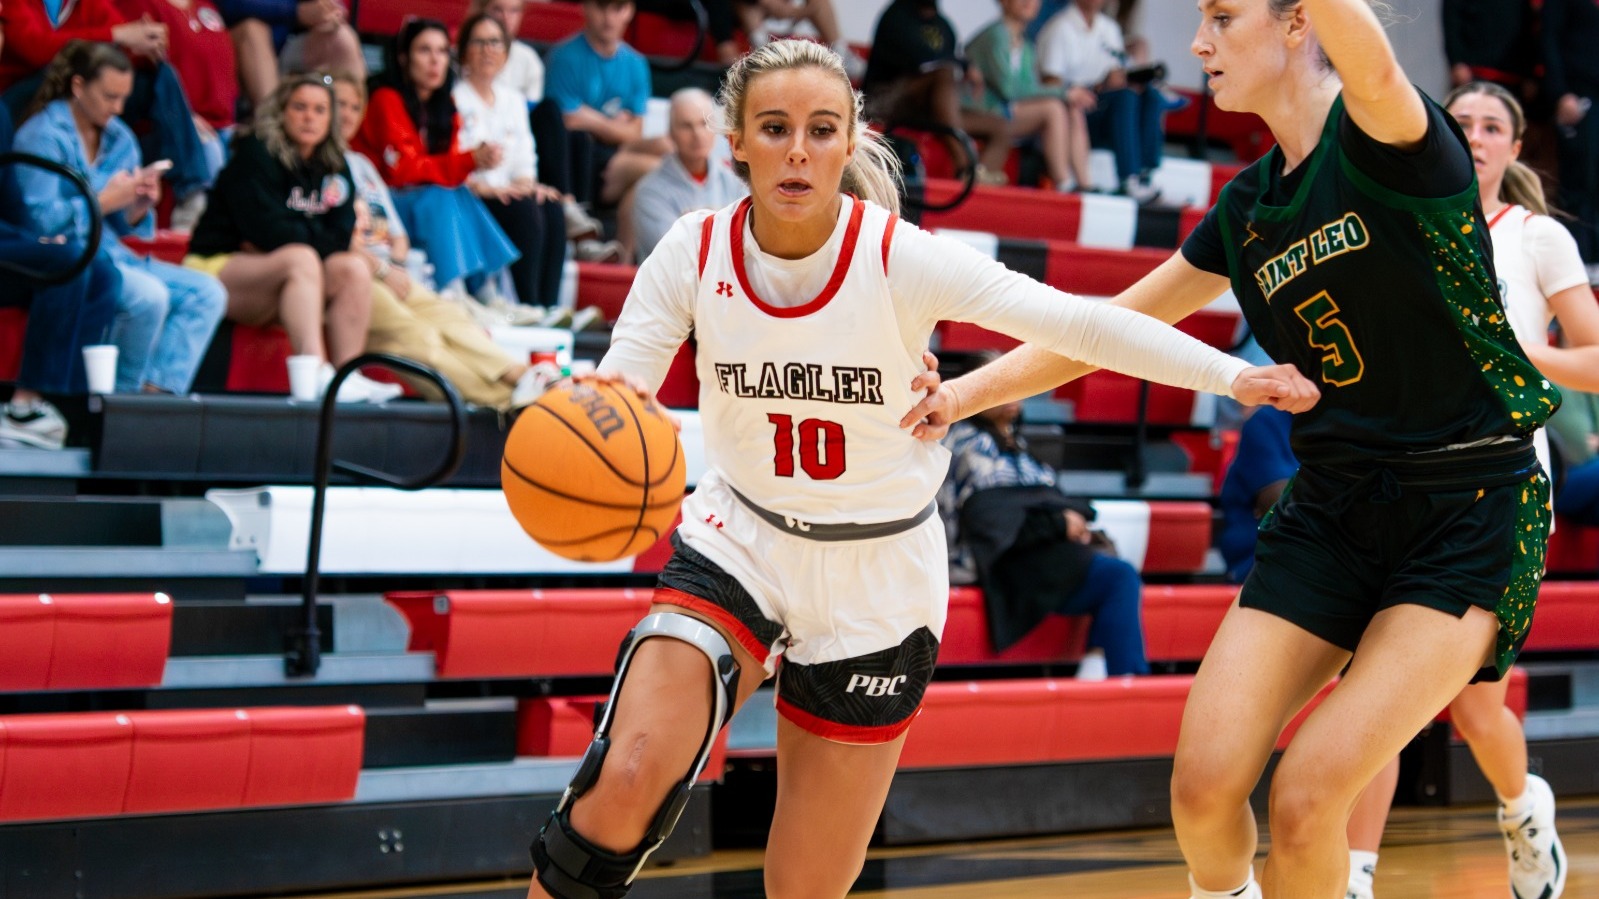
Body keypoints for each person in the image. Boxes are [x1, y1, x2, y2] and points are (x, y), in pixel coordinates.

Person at [520, 38, 1315, 899]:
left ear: (850, 139)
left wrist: (1231, 376)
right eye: (774, 128)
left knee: (803, 885)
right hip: (739, 538)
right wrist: (577, 430)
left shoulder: (898, 256)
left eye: (820, 129)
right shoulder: (692, 249)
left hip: (879, 573)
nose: (797, 151)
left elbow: (1078, 324)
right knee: (624, 779)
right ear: (736, 141)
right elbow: (620, 395)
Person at [901, 2, 1565, 895]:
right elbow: (1105, 328)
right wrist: (961, 395)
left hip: (1467, 501)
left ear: (1297, 24)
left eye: (1221, 16)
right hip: (1332, 507)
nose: (1198, 42)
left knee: (1306, 798)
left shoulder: (1388, 133)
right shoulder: (1247, 206)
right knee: (1202, 794)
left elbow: (1368, 62)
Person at [1335, 79, 1599, 899]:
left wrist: (1521, 353)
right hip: (1394, 480)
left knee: (1475, 708)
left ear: (1514, 149)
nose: (1475, 136)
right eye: (1460, 125)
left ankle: (1522, 810)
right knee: (1371, 692)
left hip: (1499, 489)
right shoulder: (1392, 227)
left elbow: (1594, 359)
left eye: (1491, 126)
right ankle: (1354, 876)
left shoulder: (1536, 236)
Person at [15, 41, 226, 397]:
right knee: (148, 296)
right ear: (78, 86)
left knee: (208, 293)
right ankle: (118, 403)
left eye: (123, 98)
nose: (117, 108)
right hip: (71, 258)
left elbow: (123, 225)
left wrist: (137, 205)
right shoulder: (41, 136)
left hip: (115, 253)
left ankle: (154, 401)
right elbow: (39, 223)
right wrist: (103, 200)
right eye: (109, 97)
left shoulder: (120, 137)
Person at [184, 72, 398, 402]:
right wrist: (309, 235)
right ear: (282, 111)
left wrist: (298, 234)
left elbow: (341, 233)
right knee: (301, 258)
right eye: (300, 107)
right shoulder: (256, 154)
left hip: (282, 276)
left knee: (352, 268)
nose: (309, 117)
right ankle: (315, 372)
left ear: (331, 118)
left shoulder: (334, 163)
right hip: (218, 268)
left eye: (319, 109)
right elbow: (267, 231)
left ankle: (346, 376)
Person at [331, 71, 540, 409]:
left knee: (449, 316)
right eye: (338, 105)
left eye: (355, 107)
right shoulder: (317, 167)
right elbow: (330, 237)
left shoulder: (360, 164)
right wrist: (383, 270)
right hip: (352, 274)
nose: (347, 114)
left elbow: (397, 233)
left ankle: (519, 375)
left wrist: (394, 265)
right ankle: (504, 402)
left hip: (385, 268)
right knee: (419, 335)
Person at [940, 361, 1149, 677]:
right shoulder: (964, 444)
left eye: (1014, 382)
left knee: (1113, 565)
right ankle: (1127, 683)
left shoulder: (1018, 443)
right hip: (1000, 563)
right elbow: (994, 524)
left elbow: (1043, 501)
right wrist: (1059, 523)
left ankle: (1101, 670)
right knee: (1118, 576)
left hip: (1038, 553)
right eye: (998, 382)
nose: (1011, 392)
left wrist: (1070, 520)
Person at [353, 19, 522, 307]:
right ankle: (456, 292)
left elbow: (449, 172)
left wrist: (473, 162)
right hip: (378, 208)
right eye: (424, 50)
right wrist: (469, 160)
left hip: (416, 204)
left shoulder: (445, 106)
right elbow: (402, 173)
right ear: (403, 57)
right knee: (440, 196)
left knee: (456, 192)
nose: (435, 60)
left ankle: (489, 296)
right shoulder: (385, 99)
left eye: (442, 51)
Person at [0, 0, 216, 218]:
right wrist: (116, 36)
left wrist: (147, 43)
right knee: (65, 67)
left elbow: (122, 48)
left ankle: (191, 192)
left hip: (74, 92)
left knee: (159, 76)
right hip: (17, 96)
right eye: (113, 100)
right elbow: (35, 48)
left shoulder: (86, 3)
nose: (118, 109)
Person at [454, 13, 569, 311]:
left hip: (508, 190)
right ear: (464, 51)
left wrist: (526, 185)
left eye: (495, 43)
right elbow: (455, 161)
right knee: (523, 208)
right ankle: (528, 303)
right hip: (474, 195)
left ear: (505, 52)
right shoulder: (455, 98)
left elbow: (524, 159)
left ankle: (549, 307)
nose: (487, 50)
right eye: (479, 42)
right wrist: (497, 189)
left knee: (551, 205)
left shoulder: (513, 100)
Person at [860, 0, 1011, 186]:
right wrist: (963, 65)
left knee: (1001, 127)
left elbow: (945, 60)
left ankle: (978, 181)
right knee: (943, 74)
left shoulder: (944, 26)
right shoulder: (896, 16)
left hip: (931, 110)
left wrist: (965, 65)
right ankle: (965, 168)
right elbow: (922, 61)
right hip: (886, 102)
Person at [112, 0, 236, 226]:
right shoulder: (140, 4)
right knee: (210, 150)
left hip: (223, 121)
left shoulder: (205, 5)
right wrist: (186, 117)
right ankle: (191, 210)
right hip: (174, 124)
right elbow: (147, 76)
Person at [543, 0, 666, 225]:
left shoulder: (636, 63)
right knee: (660, 168)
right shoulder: (563, 57)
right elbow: (566, 121)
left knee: (667, 146)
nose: (609, 18)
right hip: (582, 160)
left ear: (630, 11)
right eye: (601, 7)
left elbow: (635, 133)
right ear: (585, 7)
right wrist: (615, 125)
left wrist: (588, 117)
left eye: (617, 8)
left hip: (615, 151)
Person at [1036, 0, 1166, 201]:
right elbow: (1051, 84)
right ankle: (1129, 178)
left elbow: (1115, 75)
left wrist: (1117, 79)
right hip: (1074, 112)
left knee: (1151, 96)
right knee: (1125, 98)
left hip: (1102, 104)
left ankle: (1146, 173)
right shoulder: (1060, 27)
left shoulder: (1109, 28)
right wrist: (1088, 88)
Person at [964, 0, 1093, 192]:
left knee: (1071, 107)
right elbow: (1009, 89)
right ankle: (1064, 183)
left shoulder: (1026, 46)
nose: (1029, 2)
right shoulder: (995, 35)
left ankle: (1085, 184)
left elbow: (1027, 88)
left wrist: (1066, 96)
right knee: (1054, 108)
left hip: (1004, 111)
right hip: (979, 111)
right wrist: (1064, 93)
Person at [630, 87, 746, 261]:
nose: (697, 134)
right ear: (670, 133)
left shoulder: (738, 182)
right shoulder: (649, 192)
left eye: (704, 123)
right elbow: (675, 256)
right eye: (686, 126)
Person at [216, 0, 364, 109]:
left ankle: (340, 133)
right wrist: (296, 12)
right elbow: (230, 5)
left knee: (342, 38)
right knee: (253, 30)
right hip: (233, 45)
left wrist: (328, 12)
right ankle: (271, 129)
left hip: (287, 44)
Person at [1541, 0, 1599, 277]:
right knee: (1581, 181)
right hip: (1580, 98)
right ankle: (1581, 264)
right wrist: (1560, 93)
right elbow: (1549, 38)